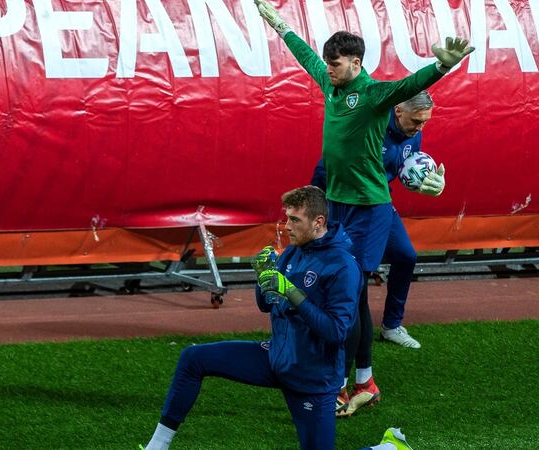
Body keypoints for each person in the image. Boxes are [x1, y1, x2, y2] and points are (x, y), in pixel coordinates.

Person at [255, 0, 472, 417]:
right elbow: (305, 58)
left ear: (355, 62)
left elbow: (410, 86)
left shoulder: (373, 94)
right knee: (350, 299)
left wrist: (441, 67)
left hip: (370, 210)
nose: (328, 70)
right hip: (336, 205)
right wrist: (281, 25)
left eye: (335, 65)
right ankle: (363, 382)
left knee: (349, 296)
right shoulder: (330, 83)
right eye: (328, 65)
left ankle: (344, 382)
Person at [141, 186, 362, 450]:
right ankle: (158, 446)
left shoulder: (344, 266)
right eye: (286, 217)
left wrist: (291, 292)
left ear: (318, 222)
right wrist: (264, 277)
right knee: (193, 358)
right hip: (278, 357)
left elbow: (337, 331)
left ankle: (388, 447)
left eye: (294, 220)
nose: (286, 226)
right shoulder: (294, 250)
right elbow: (266, 305)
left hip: (312, 378)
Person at [312, 91, 444, 353]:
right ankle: (324, 327)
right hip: (342, 204)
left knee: (405, 256)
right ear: (397, 111)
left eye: (425, 122)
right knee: (346, 270)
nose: (420, 128)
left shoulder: (412, 134)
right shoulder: (368, 126)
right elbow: (329, 163)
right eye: (417, 121)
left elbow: (404, 169)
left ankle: (392, 325)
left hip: (378, 205)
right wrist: (317, 203)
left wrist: (425, 183)